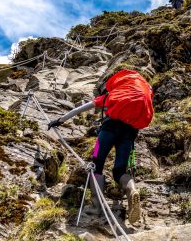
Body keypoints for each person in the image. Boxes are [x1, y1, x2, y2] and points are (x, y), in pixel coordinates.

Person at [48, 69, 154, 225]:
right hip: (129, 134)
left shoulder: (109, 96)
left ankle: (96, 206)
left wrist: (60, 120)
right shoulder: (140, 97)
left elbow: (80, 109)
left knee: (96, 164)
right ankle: (132, 191)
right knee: (119, 171)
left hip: (107, 131)